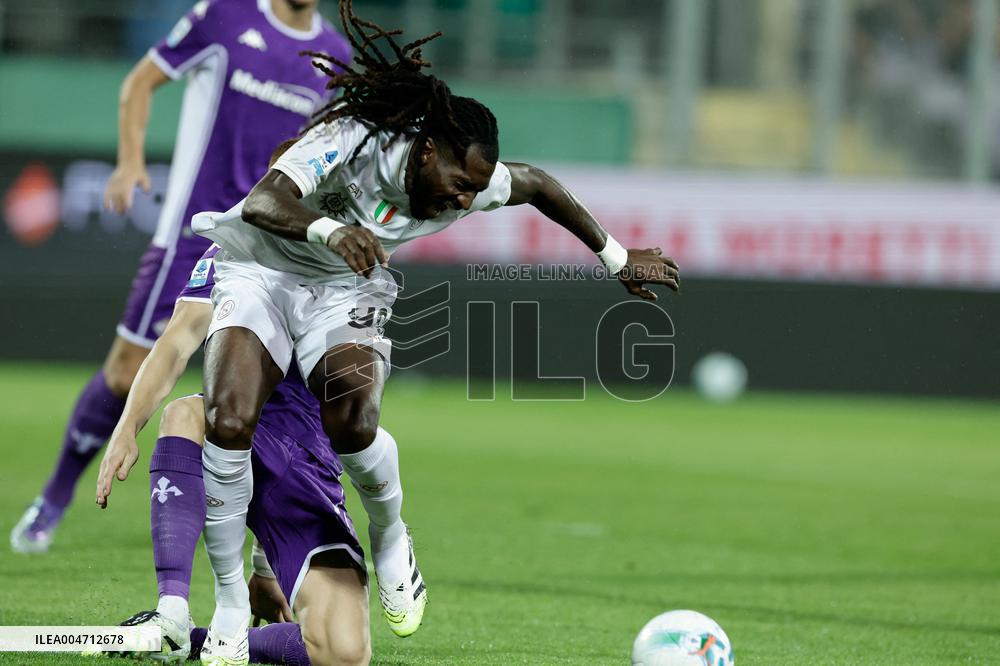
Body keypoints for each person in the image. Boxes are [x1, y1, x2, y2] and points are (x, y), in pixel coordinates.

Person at [188, 1, 681, 662]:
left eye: (474, 191)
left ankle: (391, 536)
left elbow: (536, 184)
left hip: (347, 283)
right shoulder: (356, 136)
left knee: (353, 424)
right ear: (424, 150)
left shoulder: (470, 181)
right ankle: (223, 604)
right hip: (264, 270)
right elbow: (263, 201)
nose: (462, 200)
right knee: (227, 419)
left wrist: (615, 258)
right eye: (456, 181)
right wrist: (332, 229)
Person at [11, 0, 350, 554]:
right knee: (126, 373)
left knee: (266, 395)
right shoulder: (224, 16)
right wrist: (128, 160)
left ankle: (265, 551)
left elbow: (328, 154)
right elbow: (140, 83)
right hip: (191, 232)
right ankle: (54, 495)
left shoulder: (335, 54)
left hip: (269, 241)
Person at [97, 244, 371, 665]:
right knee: (188, 414)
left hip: (309, 461)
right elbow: (180, 336)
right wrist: (127, 427)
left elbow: (352, 410)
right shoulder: (233, 243)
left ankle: (194, 641)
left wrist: (264, 566)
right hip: (235, 429)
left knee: (344, 654)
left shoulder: (356, 255)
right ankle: (170, 611)